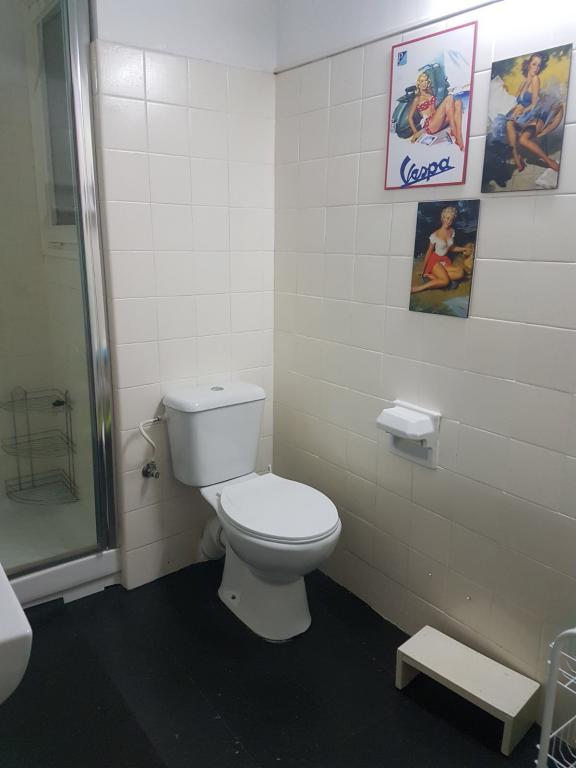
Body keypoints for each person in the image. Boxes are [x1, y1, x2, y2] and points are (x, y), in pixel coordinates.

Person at [497, 52, 563, 173]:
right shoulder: (523, 82)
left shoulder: (535, 79)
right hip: (522, 117)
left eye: (539, 65)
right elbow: (516, 101)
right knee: (508, 122)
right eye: (534, 64)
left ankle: (548, 161)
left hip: (533, 115)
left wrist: (522, 111)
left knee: (522, 140)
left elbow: (534, 104)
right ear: (528, 65)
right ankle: (516, 157)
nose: (536, 68)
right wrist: (515, 111)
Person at [410, 206, 470, 294]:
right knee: (446, 281)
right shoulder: (435, 235)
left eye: (451, 220)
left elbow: (452, 248)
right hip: (434, 261)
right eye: (447, 218)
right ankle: (419, 288)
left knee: (460, 272)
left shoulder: (451, 231)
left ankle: (433, 276)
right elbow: (429, 252)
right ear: (443, 218)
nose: (449, 221)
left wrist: (464, 249)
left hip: (444, 260)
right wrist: (423, 269)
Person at [407, 72, 465, 150]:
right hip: (429, 124)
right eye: (422, 81)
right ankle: (455, 133)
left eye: (426, 80)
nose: (424, 83)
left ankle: (458, 134)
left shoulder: (430, 94)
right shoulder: (417, 99)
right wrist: (415, 133)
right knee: (449, 97)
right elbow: (410, 117)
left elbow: (436, 111)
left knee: (458, 102)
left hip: (437, 121)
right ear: (418, 84)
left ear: (428, 82)